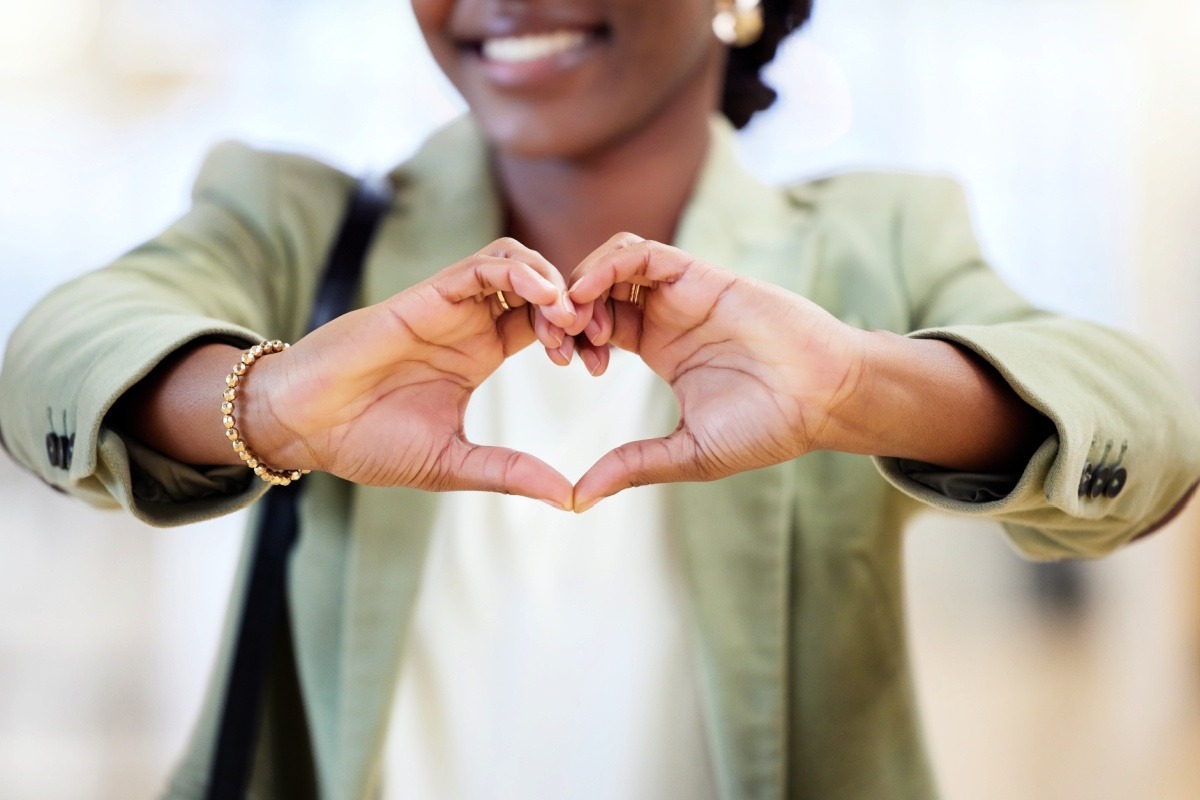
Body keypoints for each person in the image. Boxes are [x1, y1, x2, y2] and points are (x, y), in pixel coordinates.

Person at [2, 0, 1199, 797]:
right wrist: (264, 405)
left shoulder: (871, 240)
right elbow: (48, 362)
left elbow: (1150, 430)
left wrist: (858, 386)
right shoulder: (297, 224)